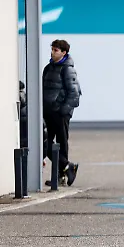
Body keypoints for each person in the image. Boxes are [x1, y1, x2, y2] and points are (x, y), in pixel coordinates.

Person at [42, 39, 81, 187]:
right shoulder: (48, 68)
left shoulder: (67, 69)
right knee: (45, 142)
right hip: (47, 112)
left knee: (61, 143)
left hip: (60, 113)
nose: (52, 53)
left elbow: (74, 93)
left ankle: (60, 176)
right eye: (52, 49)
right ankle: (67, 166)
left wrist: (62, 110)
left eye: (56, 50)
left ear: (64, 52)